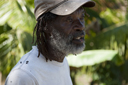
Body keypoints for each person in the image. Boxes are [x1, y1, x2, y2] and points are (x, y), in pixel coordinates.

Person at [5, 0, 95, 85]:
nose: (81, 26)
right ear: (46, 25)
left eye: (82, 17)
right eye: (69, 20)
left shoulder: (62, 62)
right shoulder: (24, 76)